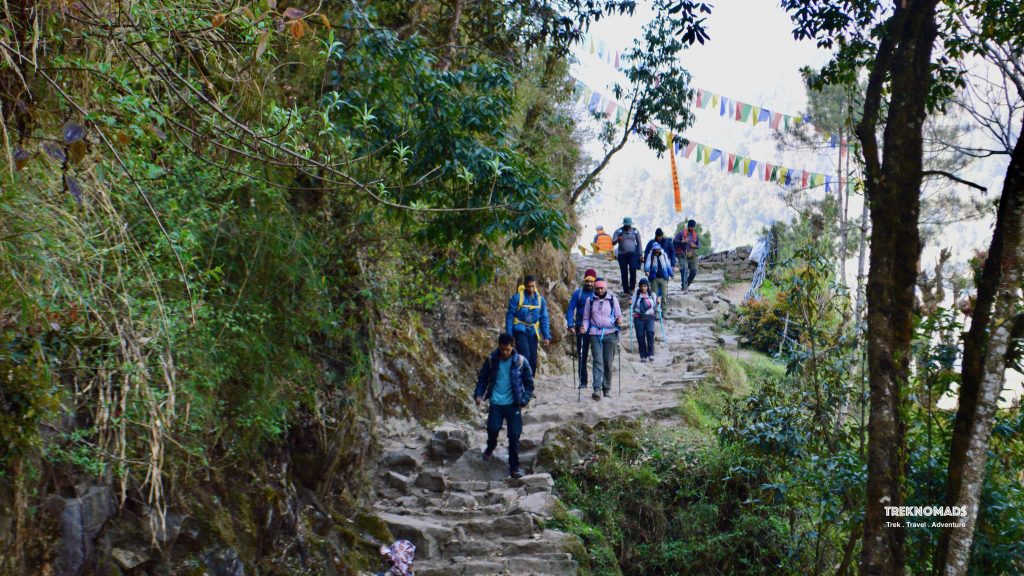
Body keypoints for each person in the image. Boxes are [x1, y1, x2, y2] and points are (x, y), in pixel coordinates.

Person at [474, 333, 534, 479]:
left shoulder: (520, 362)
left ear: (512, 347)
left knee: (514, 436)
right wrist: (479, 394)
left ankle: (514, 468)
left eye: (507, 349)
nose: (505, 352)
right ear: (499, 347)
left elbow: (529, 384)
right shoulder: (492, 360)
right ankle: (491, 445)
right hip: (496, 403)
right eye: (502, 349)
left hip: (513, 404)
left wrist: (524, 400)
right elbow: (482, 378)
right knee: (492, 428)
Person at [580, 278, 623, 400]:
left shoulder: (613, 300)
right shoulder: (590, 300)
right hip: (595, 333)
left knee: (608, 363)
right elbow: (586, 318)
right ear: (595, 288)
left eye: (601, 288)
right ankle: (597, 389)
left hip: (611, 333)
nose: (599, 290)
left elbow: (618, 315)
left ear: (605, 288)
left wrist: (619, 320)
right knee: (597, 361)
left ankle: (607, 388)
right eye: (597, 288)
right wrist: (584, 327)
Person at [504, 275, 551, 378]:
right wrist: (509, 335)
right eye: (529, 287)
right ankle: (521, 384)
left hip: (533, 332)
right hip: (520, 330)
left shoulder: (540, 300)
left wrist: (546, 336)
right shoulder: (517, 298)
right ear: (525, 286)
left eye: (533, 286)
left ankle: (529, 384)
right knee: (525, 356)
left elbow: (544, 318)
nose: (531, 289)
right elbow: (510, 316)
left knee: (533, 360)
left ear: (536, 286)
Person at [566, 269, 597, 390]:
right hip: (581, 327)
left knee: (596, 355)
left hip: (595, 328)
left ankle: (597, 381)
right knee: (582, 355)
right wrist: (570, 324)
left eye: (591, 281)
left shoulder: (598, 294)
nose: (589, 283)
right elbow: (570, 309)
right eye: (587, 281)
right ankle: (583, 381)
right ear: (584, 280)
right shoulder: (578, 294)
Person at [630, 279, 659, 362]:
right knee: (640, 336)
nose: (643, 288)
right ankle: (643, 355)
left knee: (650, 333)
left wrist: (658, 302)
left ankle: (651, 353)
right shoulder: (636, 295)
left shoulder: (652, 295)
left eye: (645, 286)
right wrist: (630, 303)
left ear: (648, 286)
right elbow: (632, 306)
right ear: (640, 287)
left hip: (649, 317)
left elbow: (656, 307)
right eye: (642, 286)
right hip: (638, 318)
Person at [611, 217, 642, 295]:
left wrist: (640, 254)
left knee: (633, 269)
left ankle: (632, 287)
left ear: (631, 224)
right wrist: (618, 239)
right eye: (626, 225)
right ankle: (625, 290)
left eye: (628, 225)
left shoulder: (635, 231)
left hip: (633, 253)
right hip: (622, 254)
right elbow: (612, 242)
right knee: (624, 271)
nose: (627, 227)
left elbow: (639, 243)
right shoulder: (618, 231)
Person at [643, 241, 673, 310]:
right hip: (654, 278)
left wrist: (671, 274)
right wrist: (647, 271)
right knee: (654, 296)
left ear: (659, 249)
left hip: (664, 277)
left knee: (664, 295)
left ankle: (664, 311)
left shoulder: (664, 255)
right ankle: (656, 312)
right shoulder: (651, 255)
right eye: (655, 249)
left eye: (657, 249)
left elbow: (668, 264)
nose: (656, 251)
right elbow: (647, 264)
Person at [674, 219, 701, 290]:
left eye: (693, 227)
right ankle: (684, 286)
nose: (692, 228)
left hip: (692, 255)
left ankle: (687, 283)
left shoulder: (695, 236)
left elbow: (699, 245)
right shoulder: (681, 233)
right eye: (690, 227)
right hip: (682, 254)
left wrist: (695, 246)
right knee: (684, 270)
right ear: (688, 226)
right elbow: (674, 241)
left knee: (694, 271)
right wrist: (682, 241)